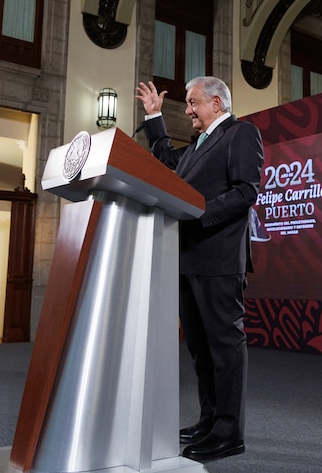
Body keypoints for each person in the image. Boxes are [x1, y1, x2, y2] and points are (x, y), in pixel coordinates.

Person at [135, 76, 264, 462]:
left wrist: (198, 214)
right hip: (187, 258)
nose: (188, 110)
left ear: (217, 103)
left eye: (193, 103)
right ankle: (209, 419)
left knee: (224, 347)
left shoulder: (241, 133)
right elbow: (169, 165)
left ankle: (229, 431)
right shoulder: (198, 144)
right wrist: (155, 117)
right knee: (200, 348)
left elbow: (246, 191)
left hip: (220, 258)